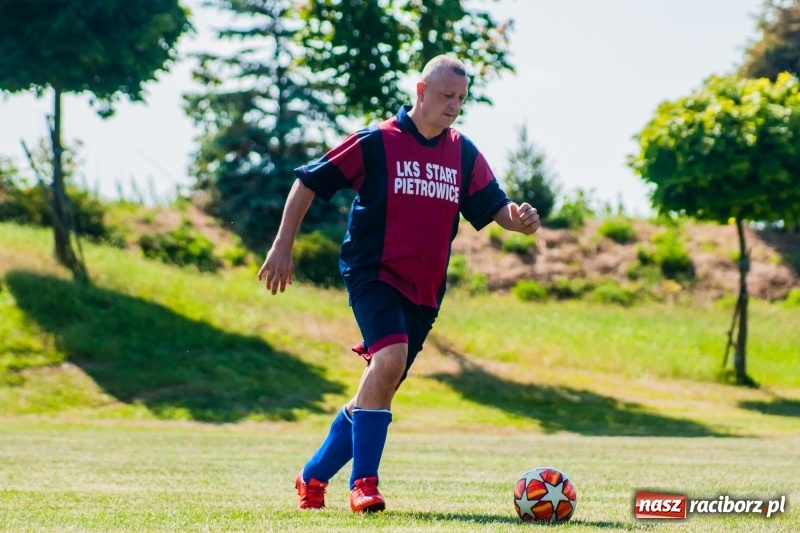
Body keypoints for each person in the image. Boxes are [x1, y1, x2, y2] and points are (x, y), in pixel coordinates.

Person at [258, 54, 541, 513]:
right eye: (447, 96)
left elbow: (496, 207)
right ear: (421, 91)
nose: (454, 106)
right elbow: (308, 182)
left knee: (379, 385)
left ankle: (311, 476)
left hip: (425, 289)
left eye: (462, 99)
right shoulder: (376, 141)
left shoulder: (463, 152)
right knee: (389, 359)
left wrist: (521, 220)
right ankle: (363, 484)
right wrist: (282, 246)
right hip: (373, 273)